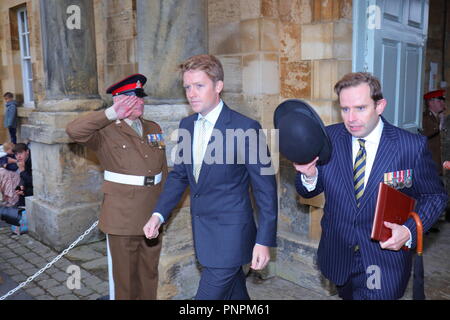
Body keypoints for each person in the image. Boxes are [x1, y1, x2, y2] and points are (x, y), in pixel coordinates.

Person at [294, 72, 447, 300]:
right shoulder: (328, 138)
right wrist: (309, 175)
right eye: (345, 109)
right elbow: (308, 189)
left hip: (384, 260)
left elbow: (435, 196)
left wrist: (408, 231)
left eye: (360, 108)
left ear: (380, 105)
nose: (351, 118)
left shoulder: (410, 146)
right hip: (339, 255)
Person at [143, 54, 278, 300]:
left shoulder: (246, 128)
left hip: (231, 234)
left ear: (218, 86)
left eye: (199, 86)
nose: (191, 93)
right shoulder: (187, 125)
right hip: (203, 231)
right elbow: (180, 176)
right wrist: (158, 214)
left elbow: (265, 189)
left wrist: (264, 240)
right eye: (187, 87)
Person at [66, 74, 168, 300]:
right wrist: (111, 114)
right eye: (133, 98)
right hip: (123, 215)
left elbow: (163, 169)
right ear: (119, 100)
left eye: (141, 98)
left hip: (152, 213)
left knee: (149, 274)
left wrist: (163, 210)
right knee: (125, 281)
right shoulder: (105, 130)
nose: (140, 102)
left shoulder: (153, 127)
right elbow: (74, 131)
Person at [420, 89, 446, 175]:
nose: (442, 103)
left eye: (443, 101)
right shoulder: (425, 118)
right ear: (430, 102)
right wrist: (441, 122)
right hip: (429, 167)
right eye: (439, 101)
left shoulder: (437, 117)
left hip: (438, 165)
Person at [0, 142, 20, 206]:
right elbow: (4, 165)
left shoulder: (14, 154)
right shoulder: (5, 157)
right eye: (11, 150)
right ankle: (8, 199)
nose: (13, 151)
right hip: (9, 171)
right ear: (6, 150)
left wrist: (14, 161)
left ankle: (11, 200)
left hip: (14, 171)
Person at [13, 143, 32, 207]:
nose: (18, 156)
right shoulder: (23, 161)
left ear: (27, 152)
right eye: (16, 154)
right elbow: (23, 178)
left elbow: (35, 183)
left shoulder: (33, 161)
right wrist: (20, 187)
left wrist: (22, 170)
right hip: (29, 188)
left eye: (20, 153)